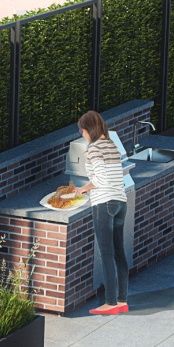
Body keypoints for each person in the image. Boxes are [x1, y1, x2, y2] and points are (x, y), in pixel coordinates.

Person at [74, 110, 128, 315]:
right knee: (119, 252)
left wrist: (82, 189)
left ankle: (110, 303)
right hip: (120, 202)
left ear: (90, 129)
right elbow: (112, 176)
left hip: (104, 204)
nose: (82, 134)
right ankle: (122, 301)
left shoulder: (94, 148)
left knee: (106, 254)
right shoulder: (112, 145)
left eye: (82, 130)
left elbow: (100, 179)